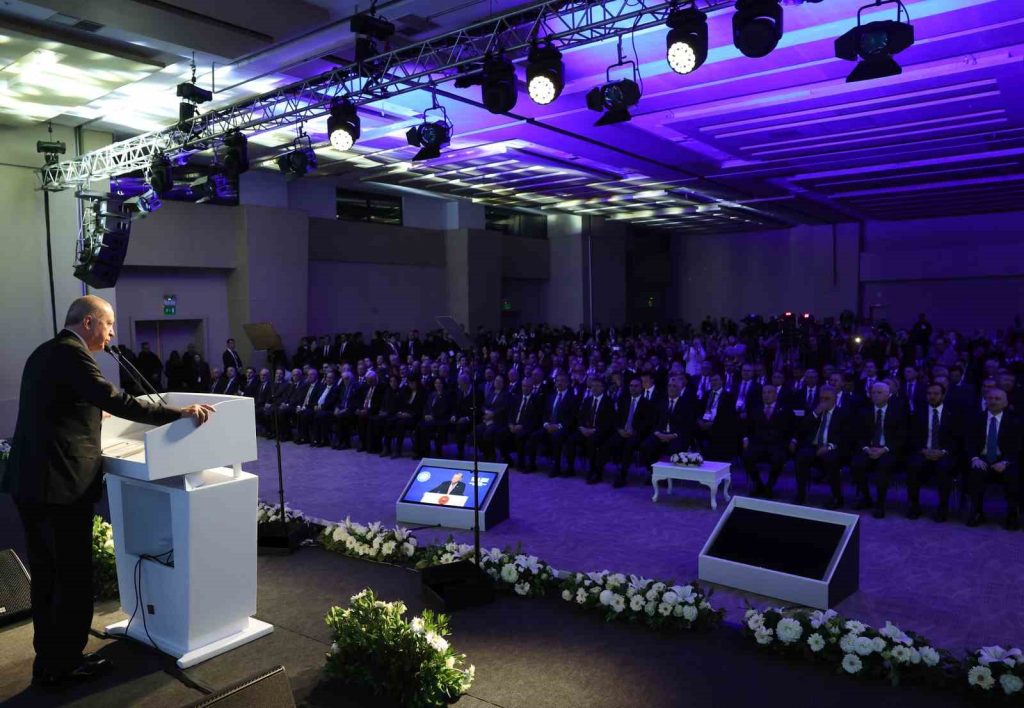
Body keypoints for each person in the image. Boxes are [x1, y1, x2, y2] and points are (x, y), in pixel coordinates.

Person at [0, 296, 214, 689]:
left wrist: (92, 412)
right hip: (60, 489)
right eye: (109, 324)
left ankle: (50, 661)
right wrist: (175, 414)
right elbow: (114, 397)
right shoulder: (72, 354)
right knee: (70, 577)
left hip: (35, 484)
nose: (112, 333)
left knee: (48, 577)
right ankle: (65, 664)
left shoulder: (45, 352)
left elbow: (58, 407)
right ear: (88, 323)